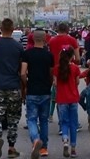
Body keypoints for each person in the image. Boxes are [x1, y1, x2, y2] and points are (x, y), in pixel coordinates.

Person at [0, 18, 24, 159]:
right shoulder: (18, 47)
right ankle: (11, 148)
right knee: (13, 119)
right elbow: (22, 70)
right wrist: (23, 88)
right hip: (14, 87)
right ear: (13, 29)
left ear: (1, 29)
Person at [21, 29, 54, 159]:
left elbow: (23, 73)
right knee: (44, 120)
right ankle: (44, 148)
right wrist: (49, 84)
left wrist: (26, 84)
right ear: (45, 39)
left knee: (31, 119)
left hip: (32, 90)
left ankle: (35, 140)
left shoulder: (27, 54)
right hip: (45, 90)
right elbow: (51, 73)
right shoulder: (49, 55)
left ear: (33, 39)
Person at [55, 46, 81, 158]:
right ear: (72, 56)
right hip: (73, 98)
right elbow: (77, 82)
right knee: (73, 124)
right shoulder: (75, 68)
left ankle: (65, 141)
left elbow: (55, 84)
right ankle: (73, 149)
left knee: (64, 122)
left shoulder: (57, 68)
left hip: (62, 98)